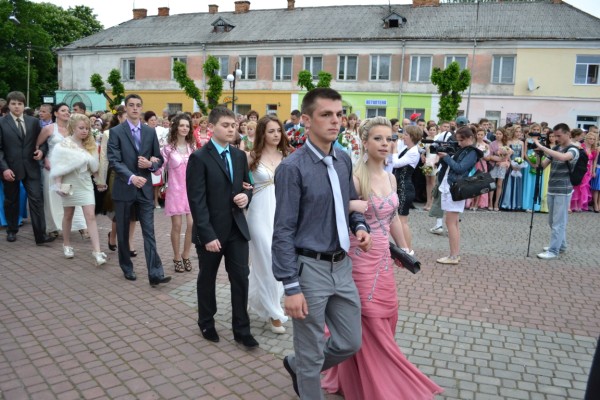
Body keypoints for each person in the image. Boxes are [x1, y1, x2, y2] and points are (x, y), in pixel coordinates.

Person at [321, 116, 443, 400]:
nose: (385, 144)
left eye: (389, 139)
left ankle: (359, 377)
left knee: (387, 314)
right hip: (359, 256)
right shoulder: (354, 177)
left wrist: (405, 249)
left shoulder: (390, 177)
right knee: (369, 317)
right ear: (364, 142)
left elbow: (394, 219)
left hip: (383, 259)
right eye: (378, 138)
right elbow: (333, 210)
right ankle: (375, 382)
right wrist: (353, 204)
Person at [272, 88, 372, 399]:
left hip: (341, 266)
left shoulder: (342, 159)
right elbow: (283, 231)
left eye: (339, 114)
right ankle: (307, 371)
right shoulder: (292, 168)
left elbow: (349, 202)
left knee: (349, 342)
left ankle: (300, 366)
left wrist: (359, 226)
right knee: (311, 349)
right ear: (306, 120)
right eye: (326, 114)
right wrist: (291, 286)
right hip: (309, 269)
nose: (335, 121)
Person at [186, 107, 258, 348]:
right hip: (211, 232)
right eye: (225, 125)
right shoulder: (199, 158)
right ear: (211, 127)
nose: (231, 129)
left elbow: (248, 185)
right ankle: (206, 321)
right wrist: (207, 235)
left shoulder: (239, 156)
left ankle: (242, 329)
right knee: (207, 278)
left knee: (241, 278)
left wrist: (246, 196)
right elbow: (196, 201)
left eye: (233, 125)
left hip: (237, 229)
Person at [107, 94, 171, 286]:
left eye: (138, 105)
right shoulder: (116, 132)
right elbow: (114, 160)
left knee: (149, 231)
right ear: (126, 108)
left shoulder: (150, 132)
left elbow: (158, 159)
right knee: (123, 231)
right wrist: (131, 177)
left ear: (141, 108)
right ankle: (127, 267)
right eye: (131, 105)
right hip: (125, 187)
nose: (135, 108)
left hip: (145, 189)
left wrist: (151, 164)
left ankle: (155, 273)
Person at [246, 115, 289, 334]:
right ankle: (275, 313)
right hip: (258, 214)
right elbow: (241, 185)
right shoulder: (252, 156)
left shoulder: (287, 156)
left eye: (278, 131)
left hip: (281, 214)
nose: (276, 135)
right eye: (271, 131)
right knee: (267, 259)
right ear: (262, 133)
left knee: (275, 260)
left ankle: (252, 296)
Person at [49, 114, 107, 265]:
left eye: (87, 128)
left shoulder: (90, 145)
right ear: (73, 128)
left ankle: (97, 251)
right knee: (68, 215)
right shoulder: (63, 145)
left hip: (85, 183)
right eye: (81, 128)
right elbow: (58, 167)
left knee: (90, 216)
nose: (85, 131)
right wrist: (58, 185)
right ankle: (67, 244)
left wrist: (100, 182)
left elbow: (94, 168)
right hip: (69, 183)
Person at [0, 91, 55, 244]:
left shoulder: (33, 122)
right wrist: (4, 168)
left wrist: (41, 152)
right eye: (13, 104)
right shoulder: (2, 122)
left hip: (31, 167)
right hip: (10, 169)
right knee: (11, 201)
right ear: (8, 105)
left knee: (37, 200)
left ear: (24, 105)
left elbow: (42, 142)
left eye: (20, 104)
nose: (17, 106)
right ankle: (12, 230)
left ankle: (40, 235)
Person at [36, 103, 87, 237]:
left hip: (70, 169)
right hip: (51, 168)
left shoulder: (73, 129)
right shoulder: (48, 129)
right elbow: (37, 145)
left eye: (68, 110)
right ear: (56, 113)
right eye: (63, 110)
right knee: (52, 198)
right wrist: (44, 158)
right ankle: (52, 227)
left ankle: (81, 226)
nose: (67, 112)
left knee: (73, 196)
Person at [530, 123, 578, 259]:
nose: (556, 138)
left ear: (568, 134)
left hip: (564, 189)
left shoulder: (573, 149)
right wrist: (538, 154)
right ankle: (561, 245)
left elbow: (563, 157)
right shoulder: (556, 148)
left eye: (559, 136)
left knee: (558, 222)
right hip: (552, 187)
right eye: (555, 136)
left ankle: (553, 250)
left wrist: (543, 147)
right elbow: (541, 166)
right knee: (552, 221)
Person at [435, 126, 482, 264]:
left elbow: (460, 168)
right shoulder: (463, 149)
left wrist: (447, 157)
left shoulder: (472, 152)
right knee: (453, 223)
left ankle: (453, 256)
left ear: (470, 138)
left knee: (450, 223)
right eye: (458, 140)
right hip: (449, 186)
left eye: (461, 140)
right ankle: (454, 254)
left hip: (455, 188)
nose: (459, 143)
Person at [155, 114, 195, 273]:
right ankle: (177, 257)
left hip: (190, 191)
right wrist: (150, 165)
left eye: (187, 126)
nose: (185, 128)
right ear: (176, 127)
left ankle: (186, 255)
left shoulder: (192, 147)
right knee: (177, 226)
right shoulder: (167, 149)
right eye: (182, 125)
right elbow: (159, 168)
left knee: (192, 224)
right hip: (175, 191)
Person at [389, 125, 421, 255]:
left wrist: (394, 149)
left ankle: (408, 250)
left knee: (403, 221)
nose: (404, 136)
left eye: (406, 134)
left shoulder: (414, 152)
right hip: (401, 187)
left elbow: (396, 163)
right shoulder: (407, 149)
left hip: (405, 188)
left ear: (412, 137)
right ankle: (404, 248)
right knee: (399, 220)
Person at [500, 125, 526, 210]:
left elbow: (522, 155)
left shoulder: (521, 143)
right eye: (516, 131)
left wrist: (520, 164)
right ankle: (507, 203)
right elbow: (508, 154)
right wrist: (512, 164)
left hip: (518, 164)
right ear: (513, 132)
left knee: (518, 182)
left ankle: (516, 204)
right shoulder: (509, 142)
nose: (518, 133)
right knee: (509, 182)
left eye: (519, 132)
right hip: (511, 164)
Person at [570, 131, 597, 212]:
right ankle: (574, 205)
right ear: (586, 139)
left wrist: (592, 171)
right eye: (590, 138)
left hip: (588, 169)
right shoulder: (581, 146)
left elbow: (594, 161)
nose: (592, 140)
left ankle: (581, 205)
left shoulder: (594, 149)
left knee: (585, 188)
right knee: (577, 186)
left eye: (593, 139)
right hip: (580, 168)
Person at [488, 128, 511, 211]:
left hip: (502, 166)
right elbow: (490, 155)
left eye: (500, 134)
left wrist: (503, 159)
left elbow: (508, 155)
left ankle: (496, 202)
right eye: (497, 134)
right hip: (493, 165)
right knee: (492, 184)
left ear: (503, 135)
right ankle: (490, 202)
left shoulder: (506, 144)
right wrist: (497, 159)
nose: (498, 135)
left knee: (499, 185)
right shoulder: (492, 144)